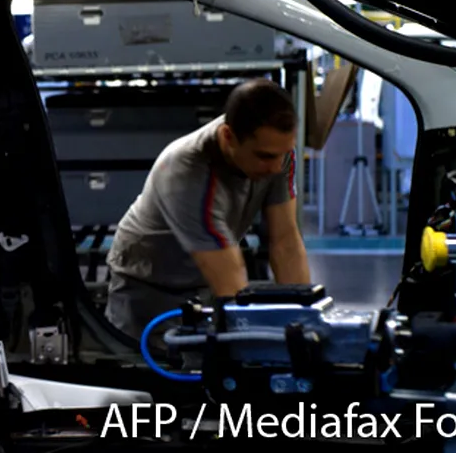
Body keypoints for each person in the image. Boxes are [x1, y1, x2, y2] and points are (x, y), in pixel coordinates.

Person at [104, 78, 310, 359]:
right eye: (264, 156)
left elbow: (285, 242)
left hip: (200, 285)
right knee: (150, 383)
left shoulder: (276, 151)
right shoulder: (186, 171)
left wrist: (307, 323)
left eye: (283, 154)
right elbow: (230, 280)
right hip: (147, 288)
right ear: (228, 137)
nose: (276, 167)